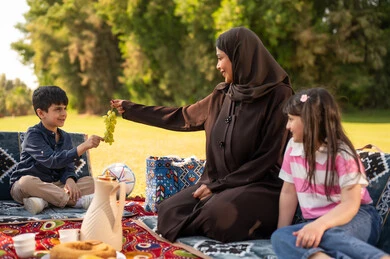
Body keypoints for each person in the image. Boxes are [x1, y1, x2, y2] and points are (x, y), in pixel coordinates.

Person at [111, 27, 293, 242]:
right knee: (168, 209)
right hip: (216, 185)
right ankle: (208, 220)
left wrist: (219, 187)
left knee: (220, 214)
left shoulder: (279, 95)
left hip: (259, 185)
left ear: (240, 57)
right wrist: (131, 109)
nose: (218, 66)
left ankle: (212, 219)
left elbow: (268, 157)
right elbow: (182, 116)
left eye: (221, 58)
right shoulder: (222, 94)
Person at [271, 88, 390, 259]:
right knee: (281, 237)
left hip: (358, 217)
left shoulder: (343, 154)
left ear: (310, 121)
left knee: (325, 235)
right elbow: (288, 192)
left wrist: (319, 225)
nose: (287, 126)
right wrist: (283, 229)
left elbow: (350, 204)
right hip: (316, 223)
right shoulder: (292, 148)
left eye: (291, 120)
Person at [10, 86, 104, 215]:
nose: (64, 113)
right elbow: (52, 160)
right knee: (26, 182)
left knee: (91, 182)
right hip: (28, 187)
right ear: (41, 113)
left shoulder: (65, 136)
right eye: (58, 109)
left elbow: (67, 165)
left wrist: (70, 180)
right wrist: (83, 146)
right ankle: (77, 202)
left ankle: (43, 202)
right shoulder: (33, 135)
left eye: (65, 108)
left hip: (54, 186)